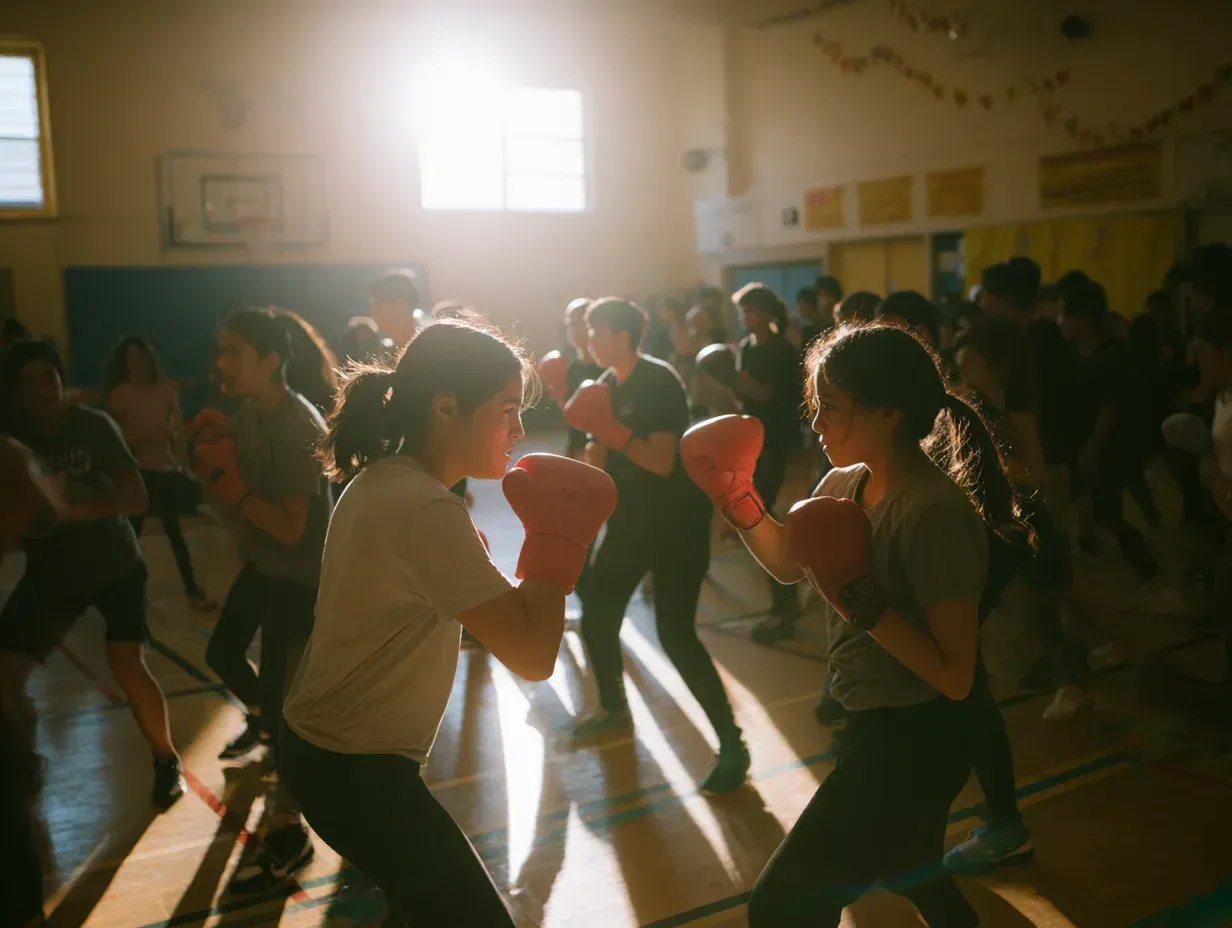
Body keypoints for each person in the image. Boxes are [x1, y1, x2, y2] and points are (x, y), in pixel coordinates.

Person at [684, 323, 1028, 927]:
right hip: (869, 720)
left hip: (918, 740)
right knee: (909, 869)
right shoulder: (844, 485)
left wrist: (862, 603)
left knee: (781, 906)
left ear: (888, 412)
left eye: (833, 409)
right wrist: (736, 496)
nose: (817, 424)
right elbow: (791, 565)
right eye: (817, 407)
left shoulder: (936, 514)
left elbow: (955, 677)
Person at [280, 314, 615, 927]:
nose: (519, 428)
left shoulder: (386, 479)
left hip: (331, 755)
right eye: (506, 409)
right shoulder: (423, 509)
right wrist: (556, 540)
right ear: (445, 407)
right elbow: (535, 657)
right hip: (353, 770)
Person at [562, 298, 749, 793]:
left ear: (623, 335)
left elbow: (662, 460)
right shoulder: (604, 385)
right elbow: (600, 460)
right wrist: (589, 450)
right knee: (598, 612)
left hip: (675, 526)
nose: (589, 339)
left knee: (675, 633)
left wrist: (609, 430)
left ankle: (732, 744)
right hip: (629, 523)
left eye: (597, 331)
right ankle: (614, 708)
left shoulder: (658, 379)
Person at [0, 338, 185, 809]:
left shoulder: (94, 426)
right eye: (29, 380)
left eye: (50, 376)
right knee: (5, 675)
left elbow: (137, 499)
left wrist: (76, 511)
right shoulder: (12, 436)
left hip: (113, 567)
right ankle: (25, 767)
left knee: (127, 662)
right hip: (52, 575)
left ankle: (166, 760)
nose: (43, 387)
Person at [195, 308, 334, 894]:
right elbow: (240, 513)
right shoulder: (248, 415)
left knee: (286, 703)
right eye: (220, 350)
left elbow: (290, 528)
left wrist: (231, 482)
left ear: (270, 360)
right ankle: (265, 719)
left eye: (233, 351)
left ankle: (290, 822)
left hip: (298, 579)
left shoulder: (297, 424)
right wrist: (197, 462)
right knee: (222, 653)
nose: (221, 362)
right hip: (263, 568)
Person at [1059, 274, 1159, 579]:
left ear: (1085, 319)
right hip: (1093, 442)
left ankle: (1150, 572)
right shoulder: (1077, 354)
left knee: (1114, 514)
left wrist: (1093, 445)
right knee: (1103, 510)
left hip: (1116, 444)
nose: (1062, 322)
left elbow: (1111, 406)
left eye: (1067, 315)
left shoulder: (1112, 354)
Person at [105, 336, 215, 611]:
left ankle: (191, 590)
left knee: (174, 532)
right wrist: (146, 437)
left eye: (140, 359)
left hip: (163, 469)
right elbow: (119, 438)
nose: (136, 365)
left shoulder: (165, 388)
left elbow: (176, 428)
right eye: (130, 360)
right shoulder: (121, 393)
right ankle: (125, 591)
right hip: (138, 470)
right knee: (132, 533)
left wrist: (181, 463)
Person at [731, 284, 804, 643]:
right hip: (754, 442)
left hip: (776, 441)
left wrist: (736, 383)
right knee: (759, 516)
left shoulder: (780, 350)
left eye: (750, 311)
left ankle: (786, 602)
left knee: (767, 517)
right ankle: (784, 600)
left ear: (766, 312)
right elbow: (744, 391)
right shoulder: (747, 348)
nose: (745, 318)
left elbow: (762, 393)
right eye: (742, 311)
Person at [562, 298, 604, 461]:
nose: (572, 329)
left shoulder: (605, 369)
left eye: (578, 323)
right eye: (569, 323)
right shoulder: (573, 368)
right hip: (577, 450)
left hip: (600, 454)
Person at [368, 268, 427, 349]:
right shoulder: (388, 350)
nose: (373, 311)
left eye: (378, 303)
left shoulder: (427, 348)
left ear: (401, 305)